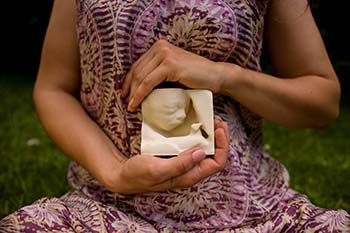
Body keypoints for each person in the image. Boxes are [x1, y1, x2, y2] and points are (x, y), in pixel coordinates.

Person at [1, 0, 349, 232]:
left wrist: (224, 75)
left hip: (254, 212)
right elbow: (53, 88)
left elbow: (322, 103)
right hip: (106, 209)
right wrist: (116, 172)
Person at [141, 88, 212, 156]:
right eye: (171, 111)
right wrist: (194, 140)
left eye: (186, 108)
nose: (183, 115)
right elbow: (161, 146)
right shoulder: (149, 137)